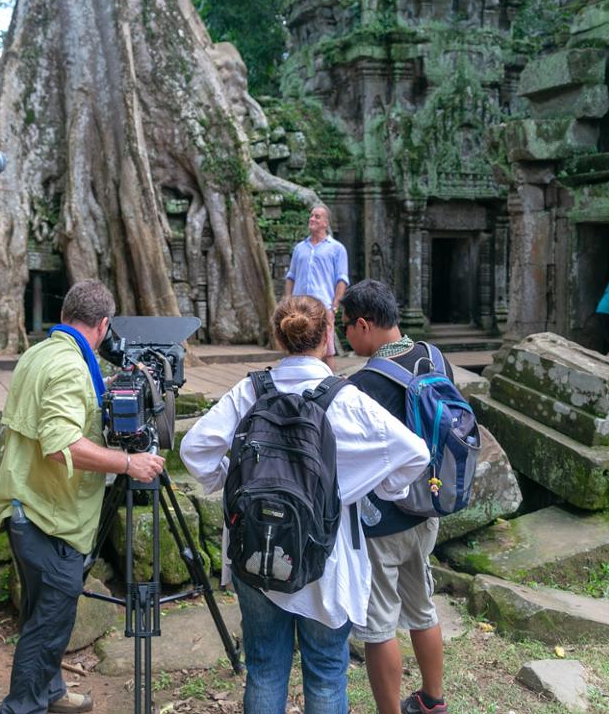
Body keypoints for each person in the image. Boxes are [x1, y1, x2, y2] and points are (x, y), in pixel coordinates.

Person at [180, 295, 429, 714]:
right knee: (327, 671)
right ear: (327, 335)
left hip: (255, 551)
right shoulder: (345, 399)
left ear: (277, 337)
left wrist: (230, 484)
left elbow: (194, 449)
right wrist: (372, 490)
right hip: (325, 557)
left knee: (264, 668)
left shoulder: (250, 390)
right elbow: (415, 454)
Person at [0, 279, 165, 714]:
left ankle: (49, 693)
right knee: (49, 622)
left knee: (41, 613)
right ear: (104, 325)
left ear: (67, 315)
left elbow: (62, 401)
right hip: (46, 515)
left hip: (27, 505)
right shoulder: (69, 366)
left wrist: (106, 384)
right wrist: (129, 464)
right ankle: (20, 707)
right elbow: (61, 444)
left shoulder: (42, 352)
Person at [340, 279, 450, 714]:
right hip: (429, 507)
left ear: (364, 324)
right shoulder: (433, 355)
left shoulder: (365, 383)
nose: (345, 334)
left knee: (379, 623)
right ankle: (433, 699)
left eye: (347, 325)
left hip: (381, 521)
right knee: (422, 606)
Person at [284, 204, 350, 367]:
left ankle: (329, 387)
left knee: (327, 351)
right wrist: (287, 301)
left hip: (323, 307)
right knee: (297, 348)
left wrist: (334, 306)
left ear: (325, 223)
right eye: (311, 216)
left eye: (317, 217)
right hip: (299, 308)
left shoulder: (337, 249)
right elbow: (291, 277)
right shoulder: (299, 248)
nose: (312, 219)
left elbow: (342, 279)